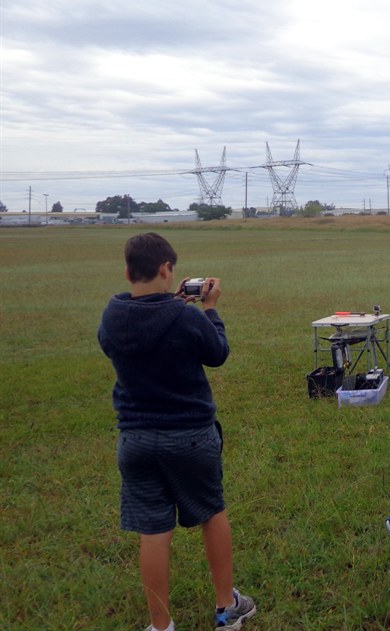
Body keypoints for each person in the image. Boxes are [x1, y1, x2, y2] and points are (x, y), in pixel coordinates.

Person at [98, 233, 256, 631]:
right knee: (211, 513)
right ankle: (226, 608)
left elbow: (115, 342)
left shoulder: (112, 315)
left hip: (134, 440)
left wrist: (173, 307)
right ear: (168, 270)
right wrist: (209, 309)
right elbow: (217, 353)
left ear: (128, 271)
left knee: (153, 531)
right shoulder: (186, 316)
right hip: (190, 435)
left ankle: (161, 625)